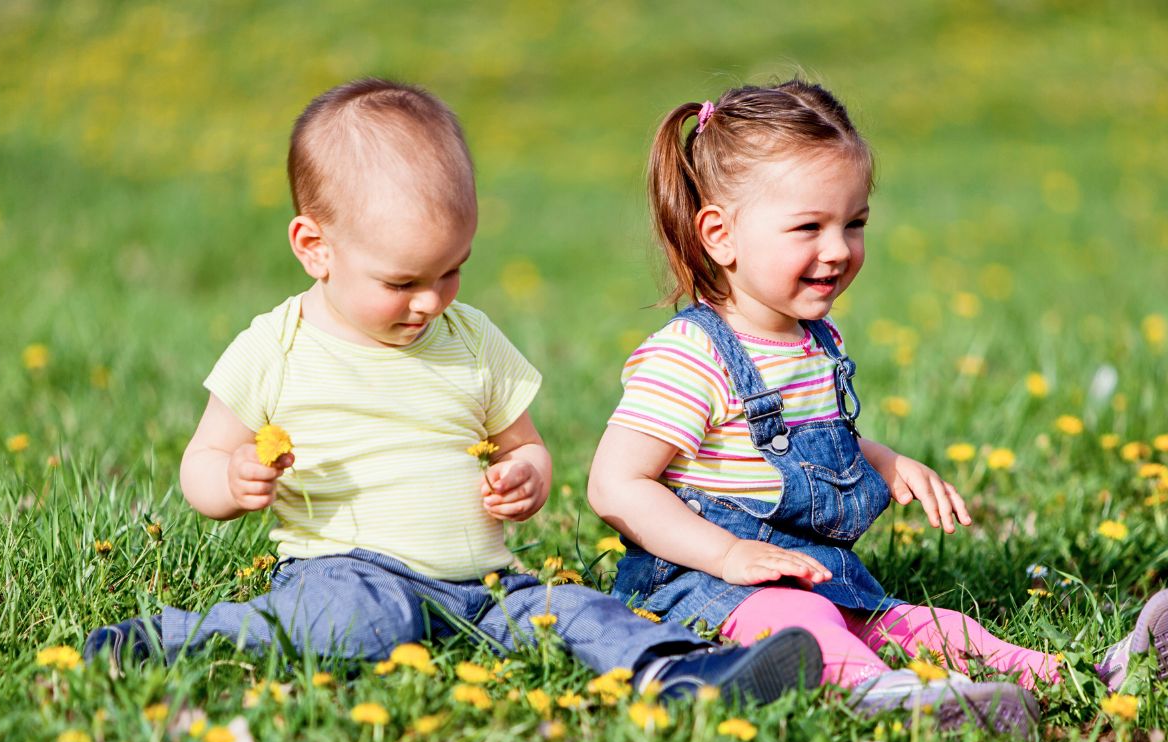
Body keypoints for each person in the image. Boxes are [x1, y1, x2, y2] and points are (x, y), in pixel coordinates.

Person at [83, 78, 822, 705]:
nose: (432, 300)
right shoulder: (275, 348)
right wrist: (231, 479)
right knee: (355, 623)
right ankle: (167, 641)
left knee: (572, 611)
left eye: (453, 270)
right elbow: (201, 463)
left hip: (487, 579)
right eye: (402, 281)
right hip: (353, 570)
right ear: (315, 248)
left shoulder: (468, 338)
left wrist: (525, 478)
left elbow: (525, 444)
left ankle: (681, 672)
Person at [587, 80, 1168, 735]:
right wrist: (725, 555)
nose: (839, 249)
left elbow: (796, 445)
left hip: (814, 574)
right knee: (807, 626)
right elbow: (616, 484)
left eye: (853, 224)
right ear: (720, 235)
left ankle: (1089, 676)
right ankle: (888, 698)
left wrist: (884, 461)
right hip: (702, 591)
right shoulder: (691, 355)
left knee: (933, 626)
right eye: (809, 227)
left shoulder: (813, 343)